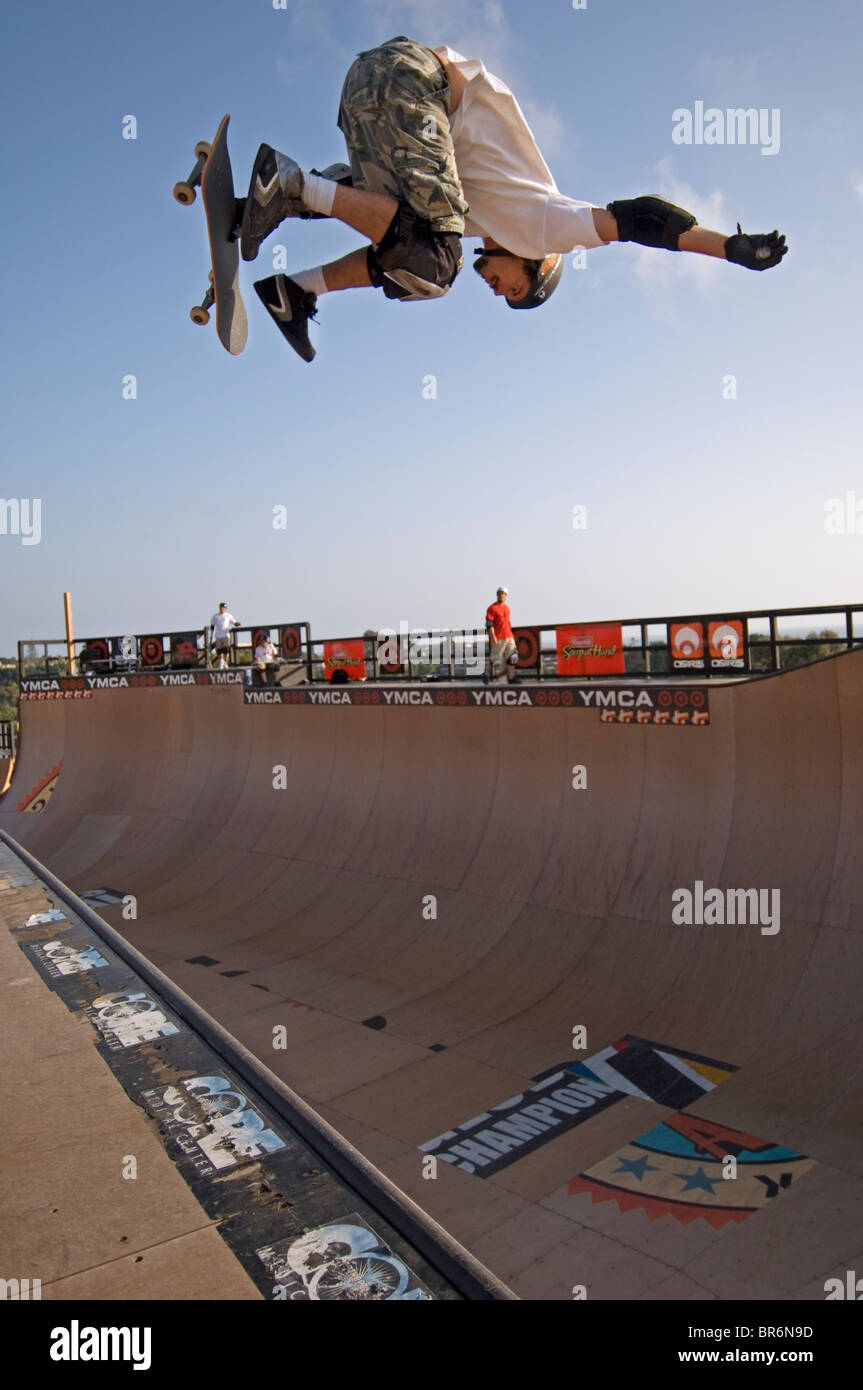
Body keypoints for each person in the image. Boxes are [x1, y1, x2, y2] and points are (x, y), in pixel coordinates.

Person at [240, 35, 788, 361]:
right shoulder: (546, 225)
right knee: (435, 263)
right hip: (411, 84)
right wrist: (729, 249)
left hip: (368, 89)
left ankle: (292, 282)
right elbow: (639, 220)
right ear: (535, 264)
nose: (500, 292)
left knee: (413, 252)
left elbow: (398, 237)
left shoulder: (473, 216)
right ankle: (290, 185)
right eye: (516, 289)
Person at [484, 586, 519, 684]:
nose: (501, 595)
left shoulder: (507, 608)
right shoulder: (491, 608)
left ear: (506, 595)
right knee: (495, 657)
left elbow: (508, 622)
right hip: (498, 637)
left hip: (508, 636)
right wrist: (493, 636)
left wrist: (511, 635)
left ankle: (511, 677)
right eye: (500, 593)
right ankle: (487, 674)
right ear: (497, 594)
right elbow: (489, 624)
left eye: (503, 594)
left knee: (512, 656)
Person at [209, 603, 241, 669]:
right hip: (218, 635)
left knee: (226, 650)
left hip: (225, 635)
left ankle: (225, 662)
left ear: (225, 609)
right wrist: (211, 635)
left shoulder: (228, 616)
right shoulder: (215, 616)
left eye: (224, 608)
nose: (222, 609)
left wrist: (237, 624)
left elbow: (234, 622)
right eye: (221, 607)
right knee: (219, 650)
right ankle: (221, 662)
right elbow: (212, 625)